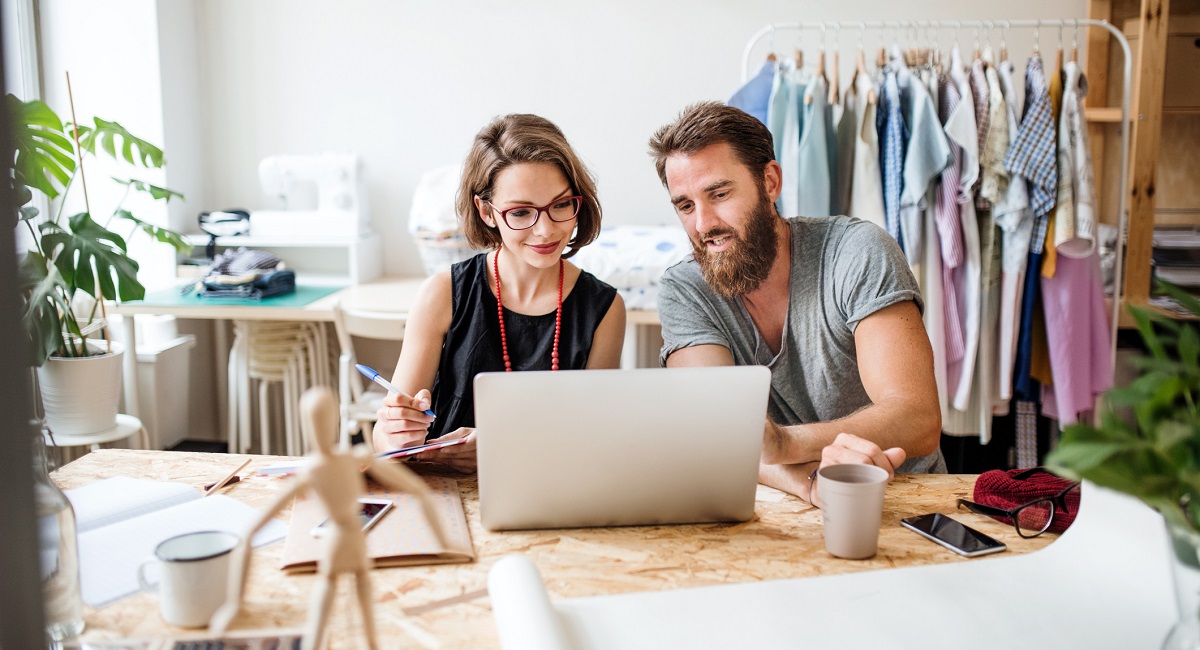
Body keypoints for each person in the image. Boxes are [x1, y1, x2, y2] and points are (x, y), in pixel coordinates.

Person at [647, 101, 944, 508]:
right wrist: (807, 482)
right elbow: (714, 432)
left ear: (770, 182)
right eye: (685, 205)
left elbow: (917, 416)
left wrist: (785, 443)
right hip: (788, 509)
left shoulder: (856, 251)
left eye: (719, 193)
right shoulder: (685, 289)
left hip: (906, 500)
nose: (703, 224)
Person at [372, 114, 626, 472]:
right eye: (521, 212)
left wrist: (503, 449)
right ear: (487, 212)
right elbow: (385, 437)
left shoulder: (605, 308)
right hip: (446, 496)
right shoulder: (442, 294)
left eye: (561, 205)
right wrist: (399, 435)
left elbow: (595, 439)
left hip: (550, 498)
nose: (545, 230)